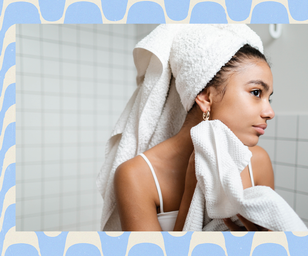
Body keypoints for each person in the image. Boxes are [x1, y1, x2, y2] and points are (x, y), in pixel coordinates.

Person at [97, 24, 275, 231]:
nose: (269, 112)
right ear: (206, 97)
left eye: (269, 98)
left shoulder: (258, 162)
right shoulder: (136, 175)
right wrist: (191, 192)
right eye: (256, 92)